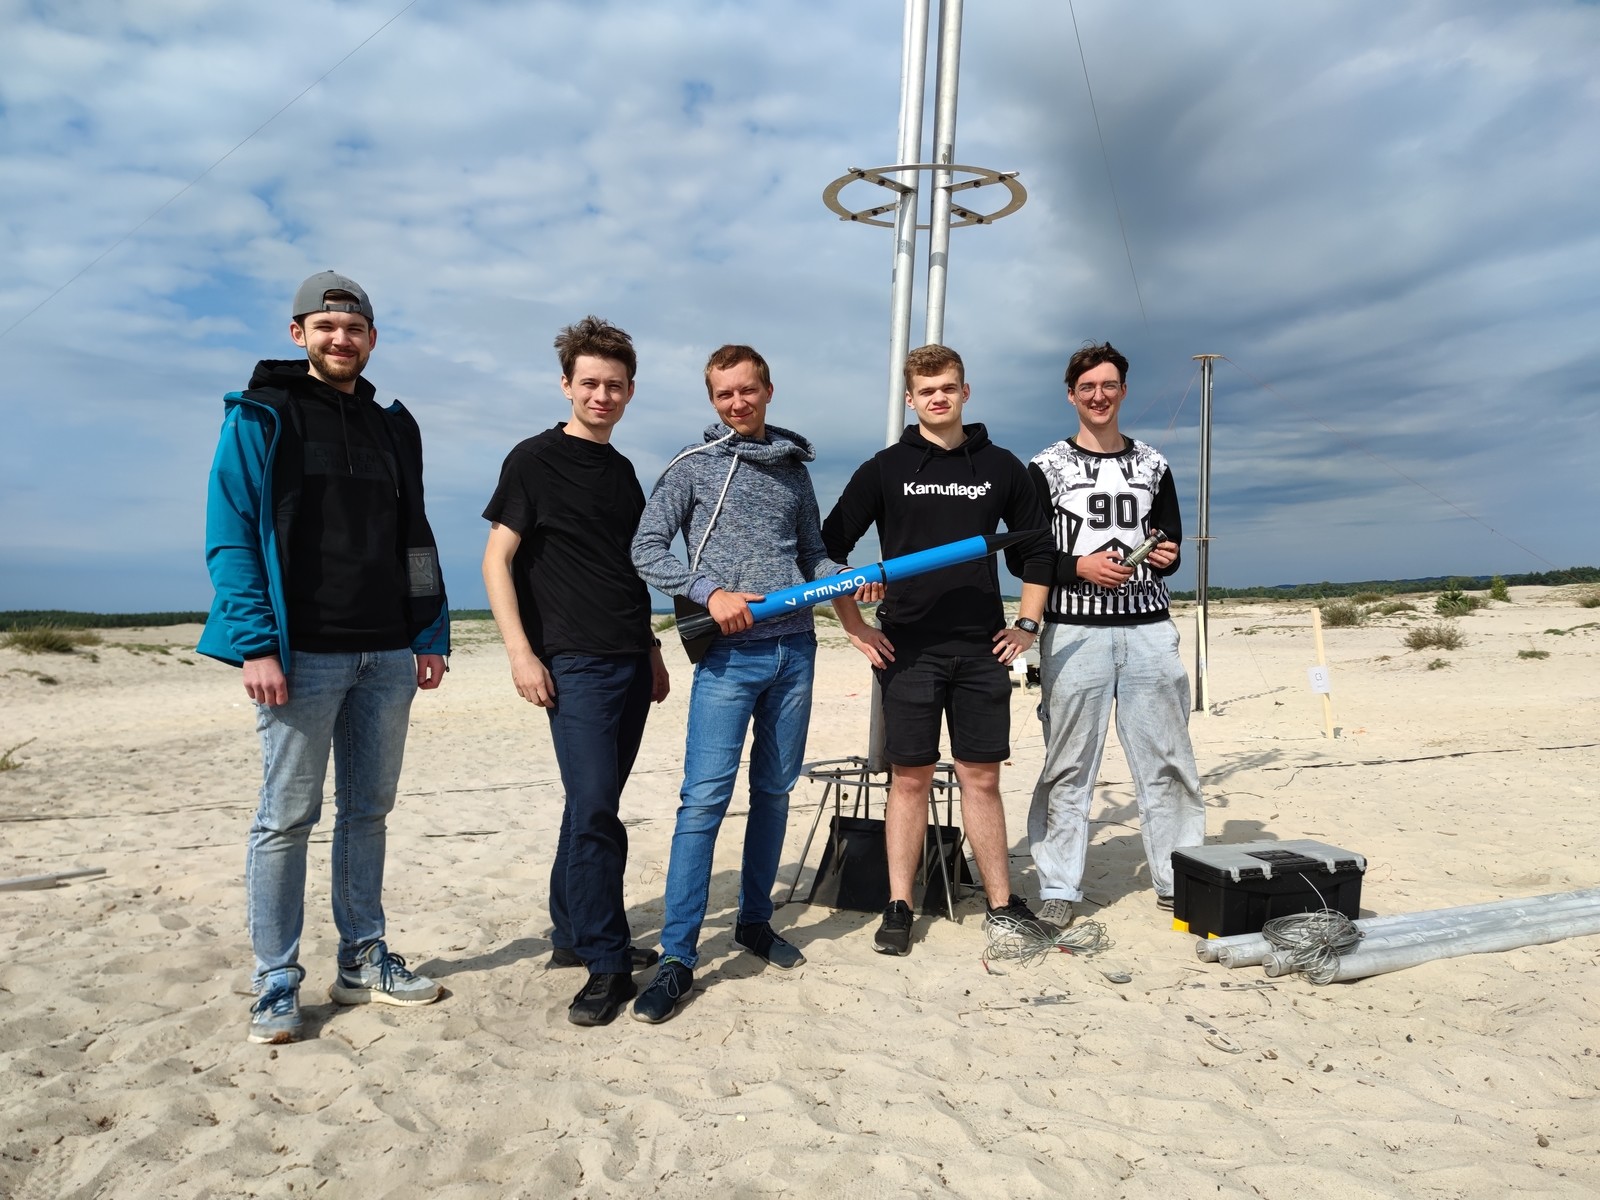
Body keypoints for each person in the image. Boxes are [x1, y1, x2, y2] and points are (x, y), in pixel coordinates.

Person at [200, 270, 449, 1045]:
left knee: (367, 811)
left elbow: (415, 534)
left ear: (372, 339)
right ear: (298, 333)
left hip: (386, 652)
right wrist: (255, 644)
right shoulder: (262, 415)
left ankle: (362, 961)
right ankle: (276, 982)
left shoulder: (392, 426)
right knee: (286, 818)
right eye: (326, 326)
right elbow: (231, 533)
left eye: (355, 328)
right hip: (299, 655)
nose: (341, 339)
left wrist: (429, 632)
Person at [628, 344, 851, 1023]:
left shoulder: (792, 470)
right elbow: (645, 549)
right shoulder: (693, 466)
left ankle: (754, 923)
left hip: (796, 651)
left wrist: (846, 578)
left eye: (747, 390)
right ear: (712, 399)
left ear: (768, 390)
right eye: (724, 394)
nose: (737, 403)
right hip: (727, 659)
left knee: (775, 793)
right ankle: (677, 957)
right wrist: (710, 592)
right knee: (702, 803)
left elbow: (810, 553)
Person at [822, 344, 1055, 956]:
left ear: (965, 392)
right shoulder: (884, 468)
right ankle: (898, 905)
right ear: (910, 399)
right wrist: (855, 626)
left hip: (981, 648)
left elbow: (1037, 551)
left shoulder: (1002, 466)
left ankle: (1001, 905)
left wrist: (1027, 625)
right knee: (910, 780)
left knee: (981, 778)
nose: (938, 398)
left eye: (948, 387)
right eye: (926, 390)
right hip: (908, 648)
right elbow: (828, 550)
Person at [481, 316, 671, 1028]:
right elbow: (496, 560)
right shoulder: (533, 460)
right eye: (589, 383)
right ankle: (605, 961)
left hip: (629, 658)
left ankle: (573, 931)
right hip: (573, 662)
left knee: (590, 805)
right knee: (595, 810)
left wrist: (651, 649)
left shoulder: (622, 472)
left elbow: (628, 570)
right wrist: (520, 653)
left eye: (614, 385)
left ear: (629, 391)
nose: (602, 395)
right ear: (567, 385)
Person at [1026, 341, 1205, 927]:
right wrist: (1079, 566)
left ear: (1123, 391)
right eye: (1087, 387)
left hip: (1149, 630)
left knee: (1168, 761)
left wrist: (1167, 557)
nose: (1098, 396)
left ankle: (1180, 879)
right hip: (1074, 632)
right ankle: (1059, 884)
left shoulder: (1154, 465)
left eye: (1108, 385)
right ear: (1071, 395)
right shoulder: (1046, 467)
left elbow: (1170, 542)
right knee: (1067, 764)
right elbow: (1026, 558)